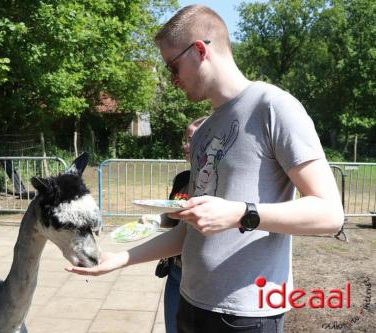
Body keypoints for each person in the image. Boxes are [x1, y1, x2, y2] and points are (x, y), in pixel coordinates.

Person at [67, 5, 344, 333]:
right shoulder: (203, 134)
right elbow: (190, 231)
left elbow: (330, 215)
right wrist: (119, 259)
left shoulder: (274, 107)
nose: (172, 80)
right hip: (190, 303)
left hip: (248, 315)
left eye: (173, 66)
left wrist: (243, 213)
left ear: (199, 50)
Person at [141, 116, 207, 333]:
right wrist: (154, 220)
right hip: (176, 273)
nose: (185, 145)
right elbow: (173, 218)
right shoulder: (182, 179)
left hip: (204, 276)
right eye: (185, 139)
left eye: (190, 139)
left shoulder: (218, 182)